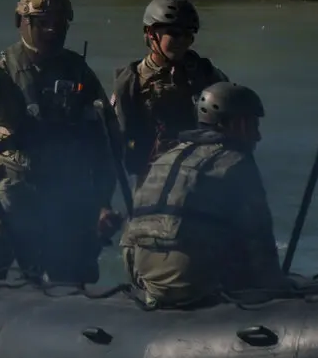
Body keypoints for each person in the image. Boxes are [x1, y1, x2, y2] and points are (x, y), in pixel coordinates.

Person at [0, 0, 113, 285]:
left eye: (58, 22)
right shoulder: (3, 70)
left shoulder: (79, 72)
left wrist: (102, 202)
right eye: (43, 22)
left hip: (66, 188)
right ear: (23, 23)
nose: (52, 29)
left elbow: (105, 138)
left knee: (73, 276)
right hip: (15, 186)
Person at [119, 81, 285, 306]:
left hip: (144, 279)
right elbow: (258, 235)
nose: (257, 136)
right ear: (233, 123)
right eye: (252, 125)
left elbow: (130, 235)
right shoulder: (235, 161)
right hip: (192, 283)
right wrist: (275, 287)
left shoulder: (166, 157)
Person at [111, 0, 228, 182]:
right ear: (151, 33)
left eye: (188, 34)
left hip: (204, 172)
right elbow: (118, 141)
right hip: (155, 177)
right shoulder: (130, 82)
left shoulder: (205, 72)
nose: (182, 40)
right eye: (174, 33)